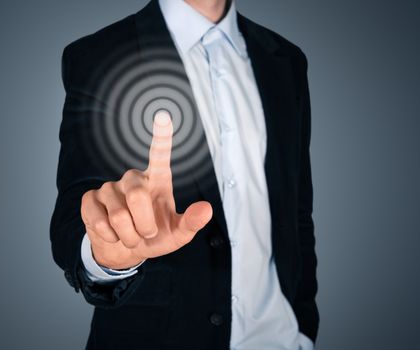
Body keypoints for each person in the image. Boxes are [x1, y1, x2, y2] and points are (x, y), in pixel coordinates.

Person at [50, 0, 319, 349]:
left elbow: (297, 211)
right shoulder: (100, 53)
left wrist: (303, 329)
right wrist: (107, 257)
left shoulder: (286, 59)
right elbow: (75, 210)